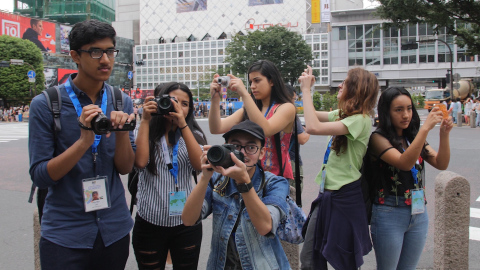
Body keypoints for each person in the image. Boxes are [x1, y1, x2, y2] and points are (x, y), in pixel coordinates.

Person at [28, 20, 136, 270]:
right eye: (95, 52)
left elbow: (125, 167)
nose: (106, 59)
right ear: (75, 56)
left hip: (114, 229)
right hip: (65, 235)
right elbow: (41, 176)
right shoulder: (46, 105)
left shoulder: (121, 101)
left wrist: (121, 132)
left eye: (110, 51)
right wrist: (84, 141)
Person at [299, 66, 378, 270]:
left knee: (345, 260)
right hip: (326, 193)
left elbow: (313, 127)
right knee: (309, 258)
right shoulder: (343, 115)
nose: (340, 85)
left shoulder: (360, 120)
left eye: (345, 82)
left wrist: (307, 91)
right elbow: (312, 115)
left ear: (356, 88)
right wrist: (307, 89)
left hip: (345, 196)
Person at [182, 120, 291, 269]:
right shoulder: (218, 180)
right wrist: (204, 177)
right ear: (226, 148)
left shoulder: (275, 183)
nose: (242, 153)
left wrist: (244, 183)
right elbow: (188, 219)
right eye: (236, 147)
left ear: (262, 153)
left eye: (251, 147)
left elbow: (265, 226)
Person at [367, 87, 452, 269]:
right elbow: (404, 163)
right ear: (386, 112)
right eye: (399, 110)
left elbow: (441, 163)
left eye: (409, 108)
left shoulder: (412, 137)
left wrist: (444, 135)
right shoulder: (378, 138)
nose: (406, 115)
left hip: (419, 213)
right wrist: (426, 129)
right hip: (389, 212)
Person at [132, 82, 207, 270]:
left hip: (186, 222)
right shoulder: (145, 131)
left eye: (185, 103)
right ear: (161, 100)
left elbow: (199, 166)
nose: (179, 107)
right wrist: (145, 120)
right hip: (150, 221)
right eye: (174, 101)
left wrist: (182, 125)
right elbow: (140, 163)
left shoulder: (193, 134)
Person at [208, 59, 296, 181]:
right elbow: (216, 128)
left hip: (276, 178)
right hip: (249, 176)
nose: (253, 86)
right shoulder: (249, 109)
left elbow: (265, 130)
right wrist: (215, 99)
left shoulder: (286, 108)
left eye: (257, 80)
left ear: (271, 81)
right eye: (250, 82)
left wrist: (244, 93)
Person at [286, 85, 310, 191]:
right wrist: (308, 130)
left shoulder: (272, 112)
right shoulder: (290, 114)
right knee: (293, 198)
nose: (294, 102)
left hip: (277, 162)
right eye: (294, 99)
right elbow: (302, 139)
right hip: (291, 162)